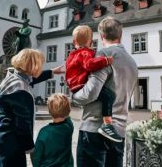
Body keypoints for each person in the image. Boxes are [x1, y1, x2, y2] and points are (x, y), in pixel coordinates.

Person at [72, 17, 138, 167]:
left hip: (95, 130)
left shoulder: (104, 55)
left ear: (101, 36)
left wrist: (73, 97)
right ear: (120, 35)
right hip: (119, 132)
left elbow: (91, 93)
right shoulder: (132, 62)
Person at [0, 48, 63, 167]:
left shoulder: (13, 77)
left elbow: (31, 79)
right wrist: (30, 148)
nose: (40, 67)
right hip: (11, 142)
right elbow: (23, 123)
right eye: (40, 64)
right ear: (33, 66)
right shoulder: (21, 90)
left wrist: (51, 72)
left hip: (1, 138)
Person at [65, 25, 122, 142]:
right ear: (91, 42)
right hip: (81, 84)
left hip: (74, 86)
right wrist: (105, 60)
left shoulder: (71, 55)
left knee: (103, 96)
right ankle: (107, 125)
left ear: (73, 41)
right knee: (109, 95)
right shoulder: (85, 52)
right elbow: (89, 64)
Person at [32, 93, 74, 167]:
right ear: (68, 110)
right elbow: (68, 118)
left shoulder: (44, 132)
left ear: (49, 111)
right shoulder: (68, 128)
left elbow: (36, 156)